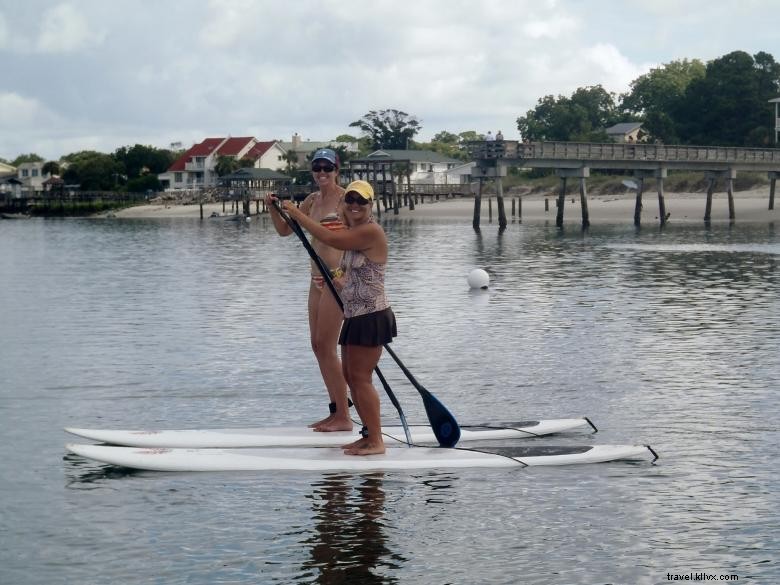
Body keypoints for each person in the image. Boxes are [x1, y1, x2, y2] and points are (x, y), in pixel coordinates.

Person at [283, 180, 396, 456]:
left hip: (372, 316)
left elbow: (330, 239)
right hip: (355, 315)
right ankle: (367, 435)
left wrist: (298, 214)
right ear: (345, 203)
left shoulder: (370, 231)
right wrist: (333, 279)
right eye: (351, 200)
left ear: (371, 206)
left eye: (362, 201)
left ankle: (376, 441)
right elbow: (349, 273)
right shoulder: (355, 230)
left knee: (360, 378)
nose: (356, 205)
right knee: (350, 375)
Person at [265, 148, 351, 432]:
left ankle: (344, 417)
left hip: (337, 279)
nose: (322, 173)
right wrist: (274, 208)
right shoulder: (312, 200)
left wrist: (348, 275)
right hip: (315, 280)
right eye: (317, 168)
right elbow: (284, 231)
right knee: (317, 346)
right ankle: (336, 410)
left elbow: (357, 238)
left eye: (328, 168)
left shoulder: (346, 200)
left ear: (337, 169)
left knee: (327, 346)